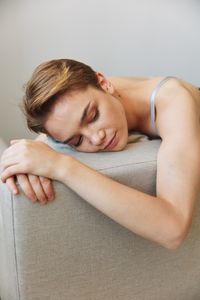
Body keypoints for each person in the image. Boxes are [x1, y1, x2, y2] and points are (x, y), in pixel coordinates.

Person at [0, 59, 200, 250]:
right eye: (77, 141)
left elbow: (173, 229)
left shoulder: (174, 102)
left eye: (93, 116)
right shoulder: (81, 102)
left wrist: (62, 167)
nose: (96, 139)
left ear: (105, 84)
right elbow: (33, 149)